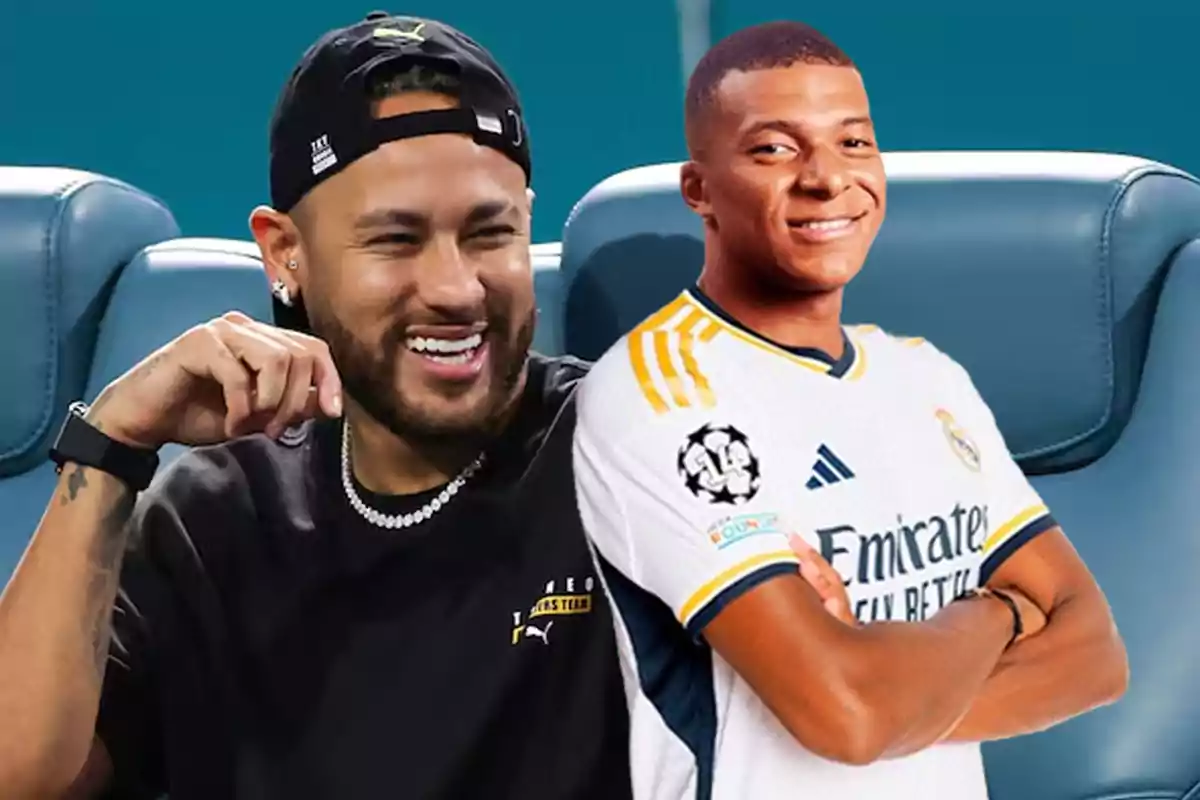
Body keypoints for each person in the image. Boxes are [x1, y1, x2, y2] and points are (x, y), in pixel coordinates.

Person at [0, 13, 631, 800]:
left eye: (488, 233)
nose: (456, 288)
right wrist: (111, 444)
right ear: (285, 254)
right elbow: (19, 775)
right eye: (396, 241)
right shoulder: (216, 514)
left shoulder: (624, 454)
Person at [572, 20, 1129, 800]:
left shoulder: (926, 377)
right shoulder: (661, 394)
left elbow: (1096, 653)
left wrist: (885, 675)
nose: (827, 178)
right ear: (700, 189)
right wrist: (995, 612)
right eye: (775, 148)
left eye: (854, 143)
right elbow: (850, 716)